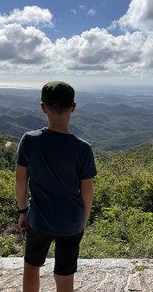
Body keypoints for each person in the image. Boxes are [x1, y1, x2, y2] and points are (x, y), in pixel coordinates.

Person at [15, 81, 97, 292]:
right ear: (73, 107)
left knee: (32, 266)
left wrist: (23, 211)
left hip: (38, 219)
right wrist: (83, 220)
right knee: (65, 273)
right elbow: (87, 191)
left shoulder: (29, 140)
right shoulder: (83, 149)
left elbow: (21, 181)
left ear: (43, 107)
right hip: (71, 221)